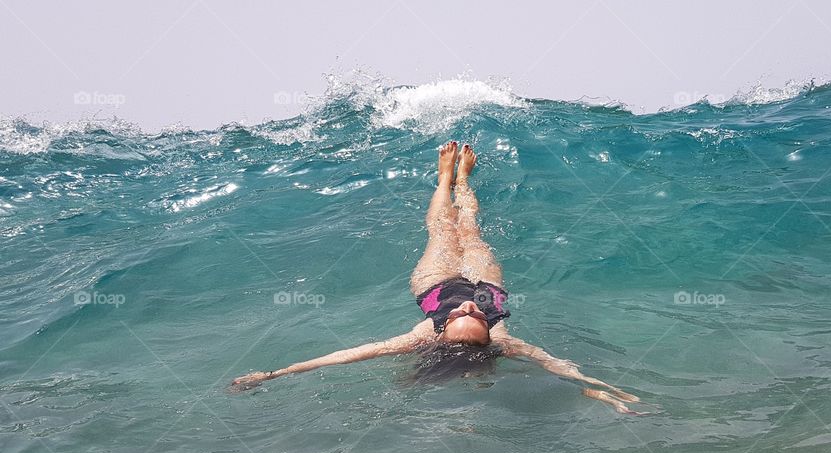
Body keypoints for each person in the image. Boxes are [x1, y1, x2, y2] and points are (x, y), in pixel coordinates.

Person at [232, 142, 651, 415]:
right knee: (470, 228)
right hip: (491, 285)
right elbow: (558, 365)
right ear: (489, 330)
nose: (469, 306)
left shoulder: (420, 337)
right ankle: (464, 181)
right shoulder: (504, 340)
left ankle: (446, 179)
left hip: (436, 282)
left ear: (444, 327)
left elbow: (349, 354)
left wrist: (275, 374)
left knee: (441, 229)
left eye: (462, 315)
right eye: (477, 316)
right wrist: (603, 391)